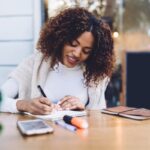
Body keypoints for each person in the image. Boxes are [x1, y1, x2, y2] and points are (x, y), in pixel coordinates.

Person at [0, 7, 115, 115]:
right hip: (39, 134)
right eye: (73, 44)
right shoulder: (35, 63)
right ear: (61, 38)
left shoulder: (95, 76)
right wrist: (25, 105)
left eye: (86, 51)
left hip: (78, 135)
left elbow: (100, 117)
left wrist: (84, 110)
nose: (76, 53)